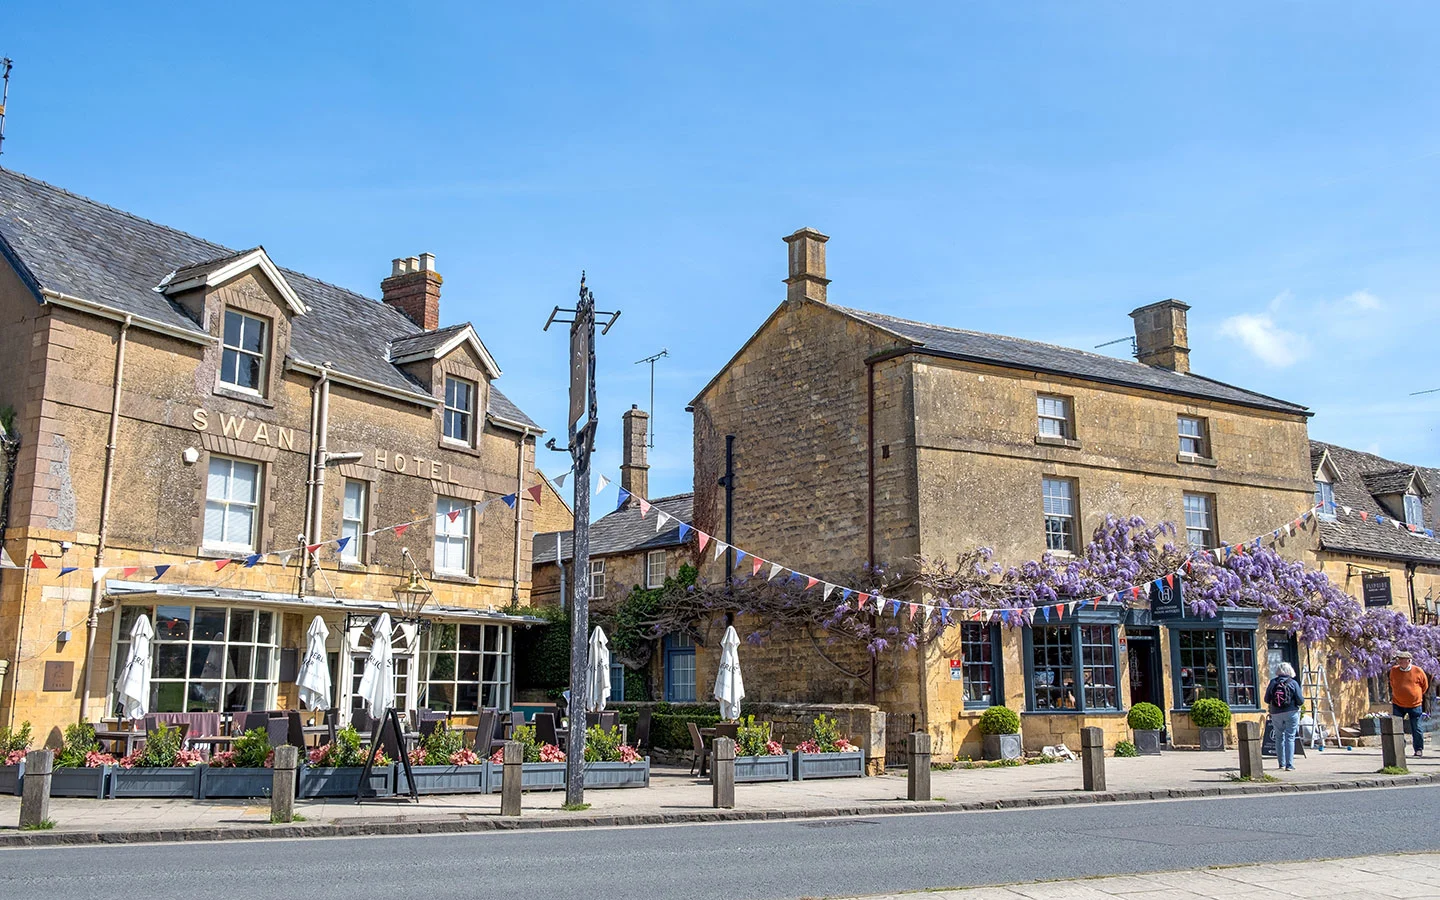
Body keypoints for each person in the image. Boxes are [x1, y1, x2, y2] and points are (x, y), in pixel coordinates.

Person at [1389, 651, 1430, 757]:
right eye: (1399, 659)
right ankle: (1399, 746)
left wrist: (1416, 695)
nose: (1401, 661)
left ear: (1409, 661)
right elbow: (1392, 683)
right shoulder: (1394, 670)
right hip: (1398, 703)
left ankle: (1418, 749)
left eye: (1403, 660)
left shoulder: (1418, 671)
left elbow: (1424, 686)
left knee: (1416, 728)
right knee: (1396, 727)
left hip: (1415, 704)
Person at [1264, 662, 1303, 771]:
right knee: (1290, 737)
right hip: (1291, 712)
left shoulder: (1273, 682)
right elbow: (1300, 700)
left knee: (1279, 737)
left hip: (1275, 713)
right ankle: (1289, 765)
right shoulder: (1293, 683)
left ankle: (1281, 764)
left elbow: (1266, 699)